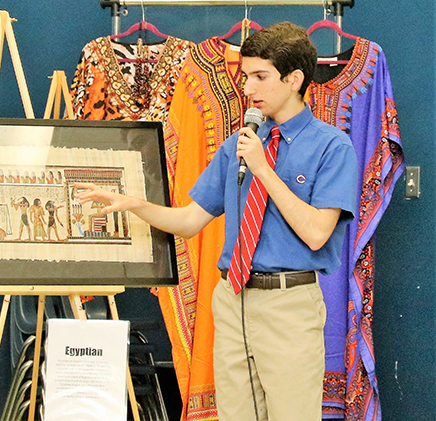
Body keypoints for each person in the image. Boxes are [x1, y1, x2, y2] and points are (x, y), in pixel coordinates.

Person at [76, 22, 357, 421]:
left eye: (260, 77)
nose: (248, 90)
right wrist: (132, 203)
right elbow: (191, 221)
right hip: (231, 299)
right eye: (245, 77)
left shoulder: (331, 146)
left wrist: (263, 169)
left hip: (288, 304)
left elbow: (315, 233)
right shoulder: (237, 144)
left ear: (295, 79)